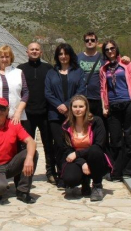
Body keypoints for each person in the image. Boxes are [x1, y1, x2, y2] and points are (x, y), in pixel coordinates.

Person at [44, 43, 85, 188]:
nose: (63, 56)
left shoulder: (78, 72)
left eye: (65, 53)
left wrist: (68, 105)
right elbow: (47, 92)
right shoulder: (51, 72)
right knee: (59, 145)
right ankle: (61, 174)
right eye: (60, 54)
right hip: (55, 115)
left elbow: (81, 90)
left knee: (72, 143)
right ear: (57, 56)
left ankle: (74, 173)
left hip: (73, 115)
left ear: (70, 55)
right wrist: (59, 105)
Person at [100, 40, 131, 181]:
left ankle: (129, 171)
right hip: (113, 106)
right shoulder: (103, 69)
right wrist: (104, 106)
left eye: (112, 48)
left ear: (116, 49)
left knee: (129, 138)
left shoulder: (126, 64)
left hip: (127, 103)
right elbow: (102, 89)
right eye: (107, 49)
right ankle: (117, 171)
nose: (110, 51)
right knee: (115, 139)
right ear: (104, 52)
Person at [17, 42, 56, 184]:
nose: (34, 51)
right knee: (26, 145)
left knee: (48, 144)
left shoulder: (48, 68)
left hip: (45, 112)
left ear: (41, 52)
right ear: (27, 52)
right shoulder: (20, 69)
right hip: (27, 114)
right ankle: (26, 173)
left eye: (37, 49)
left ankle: (51, 172)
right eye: (31, 49)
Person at [61, 95, 112, 202]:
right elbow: (67, 150)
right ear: (71, 108)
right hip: (78, 160)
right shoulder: (66, 126)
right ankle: (85, 182)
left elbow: (99, 145)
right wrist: (82, 162)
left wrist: (77, 154)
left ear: (86, 108)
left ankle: (97, 186)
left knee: (94, 151)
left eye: (81, 106)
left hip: (96, 159)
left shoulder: (96, 122)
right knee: (69, 179)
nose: (78, 109)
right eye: (75, 107)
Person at [78, 32, 130, 119]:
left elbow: (116, 60)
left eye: (92, 40)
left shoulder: (104, 57)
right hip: (83, 98)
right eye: (87, 40)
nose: (90, 42)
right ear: (84, 42)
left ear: (97, 42)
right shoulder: (78, 57)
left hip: (99, 98)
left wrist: (126, 58)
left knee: (102, 128)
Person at [0, 45, 29, 125]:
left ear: (11, 58)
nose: (4, 59)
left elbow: (25, 93)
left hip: (15, 117)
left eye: (7, 56)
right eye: (2, 57)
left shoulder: (18, 72)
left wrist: (18, 112)